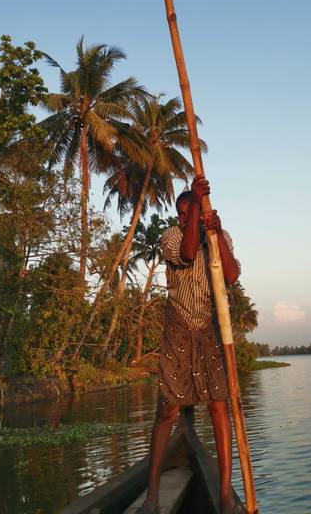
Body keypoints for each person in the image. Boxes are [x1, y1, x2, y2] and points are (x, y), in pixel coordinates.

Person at [137, 176, 243, 514]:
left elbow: (230, 276)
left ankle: (225, 496)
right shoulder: (170, 236)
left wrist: (217, 236)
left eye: (189, 212)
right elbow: (185, 252)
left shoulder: (218, 236)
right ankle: (153, 496)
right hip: (178, 327)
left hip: (207, 328)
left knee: (217, 405)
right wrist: (197, 206)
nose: (185, 218)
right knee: (167, 410)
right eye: (182, 213)